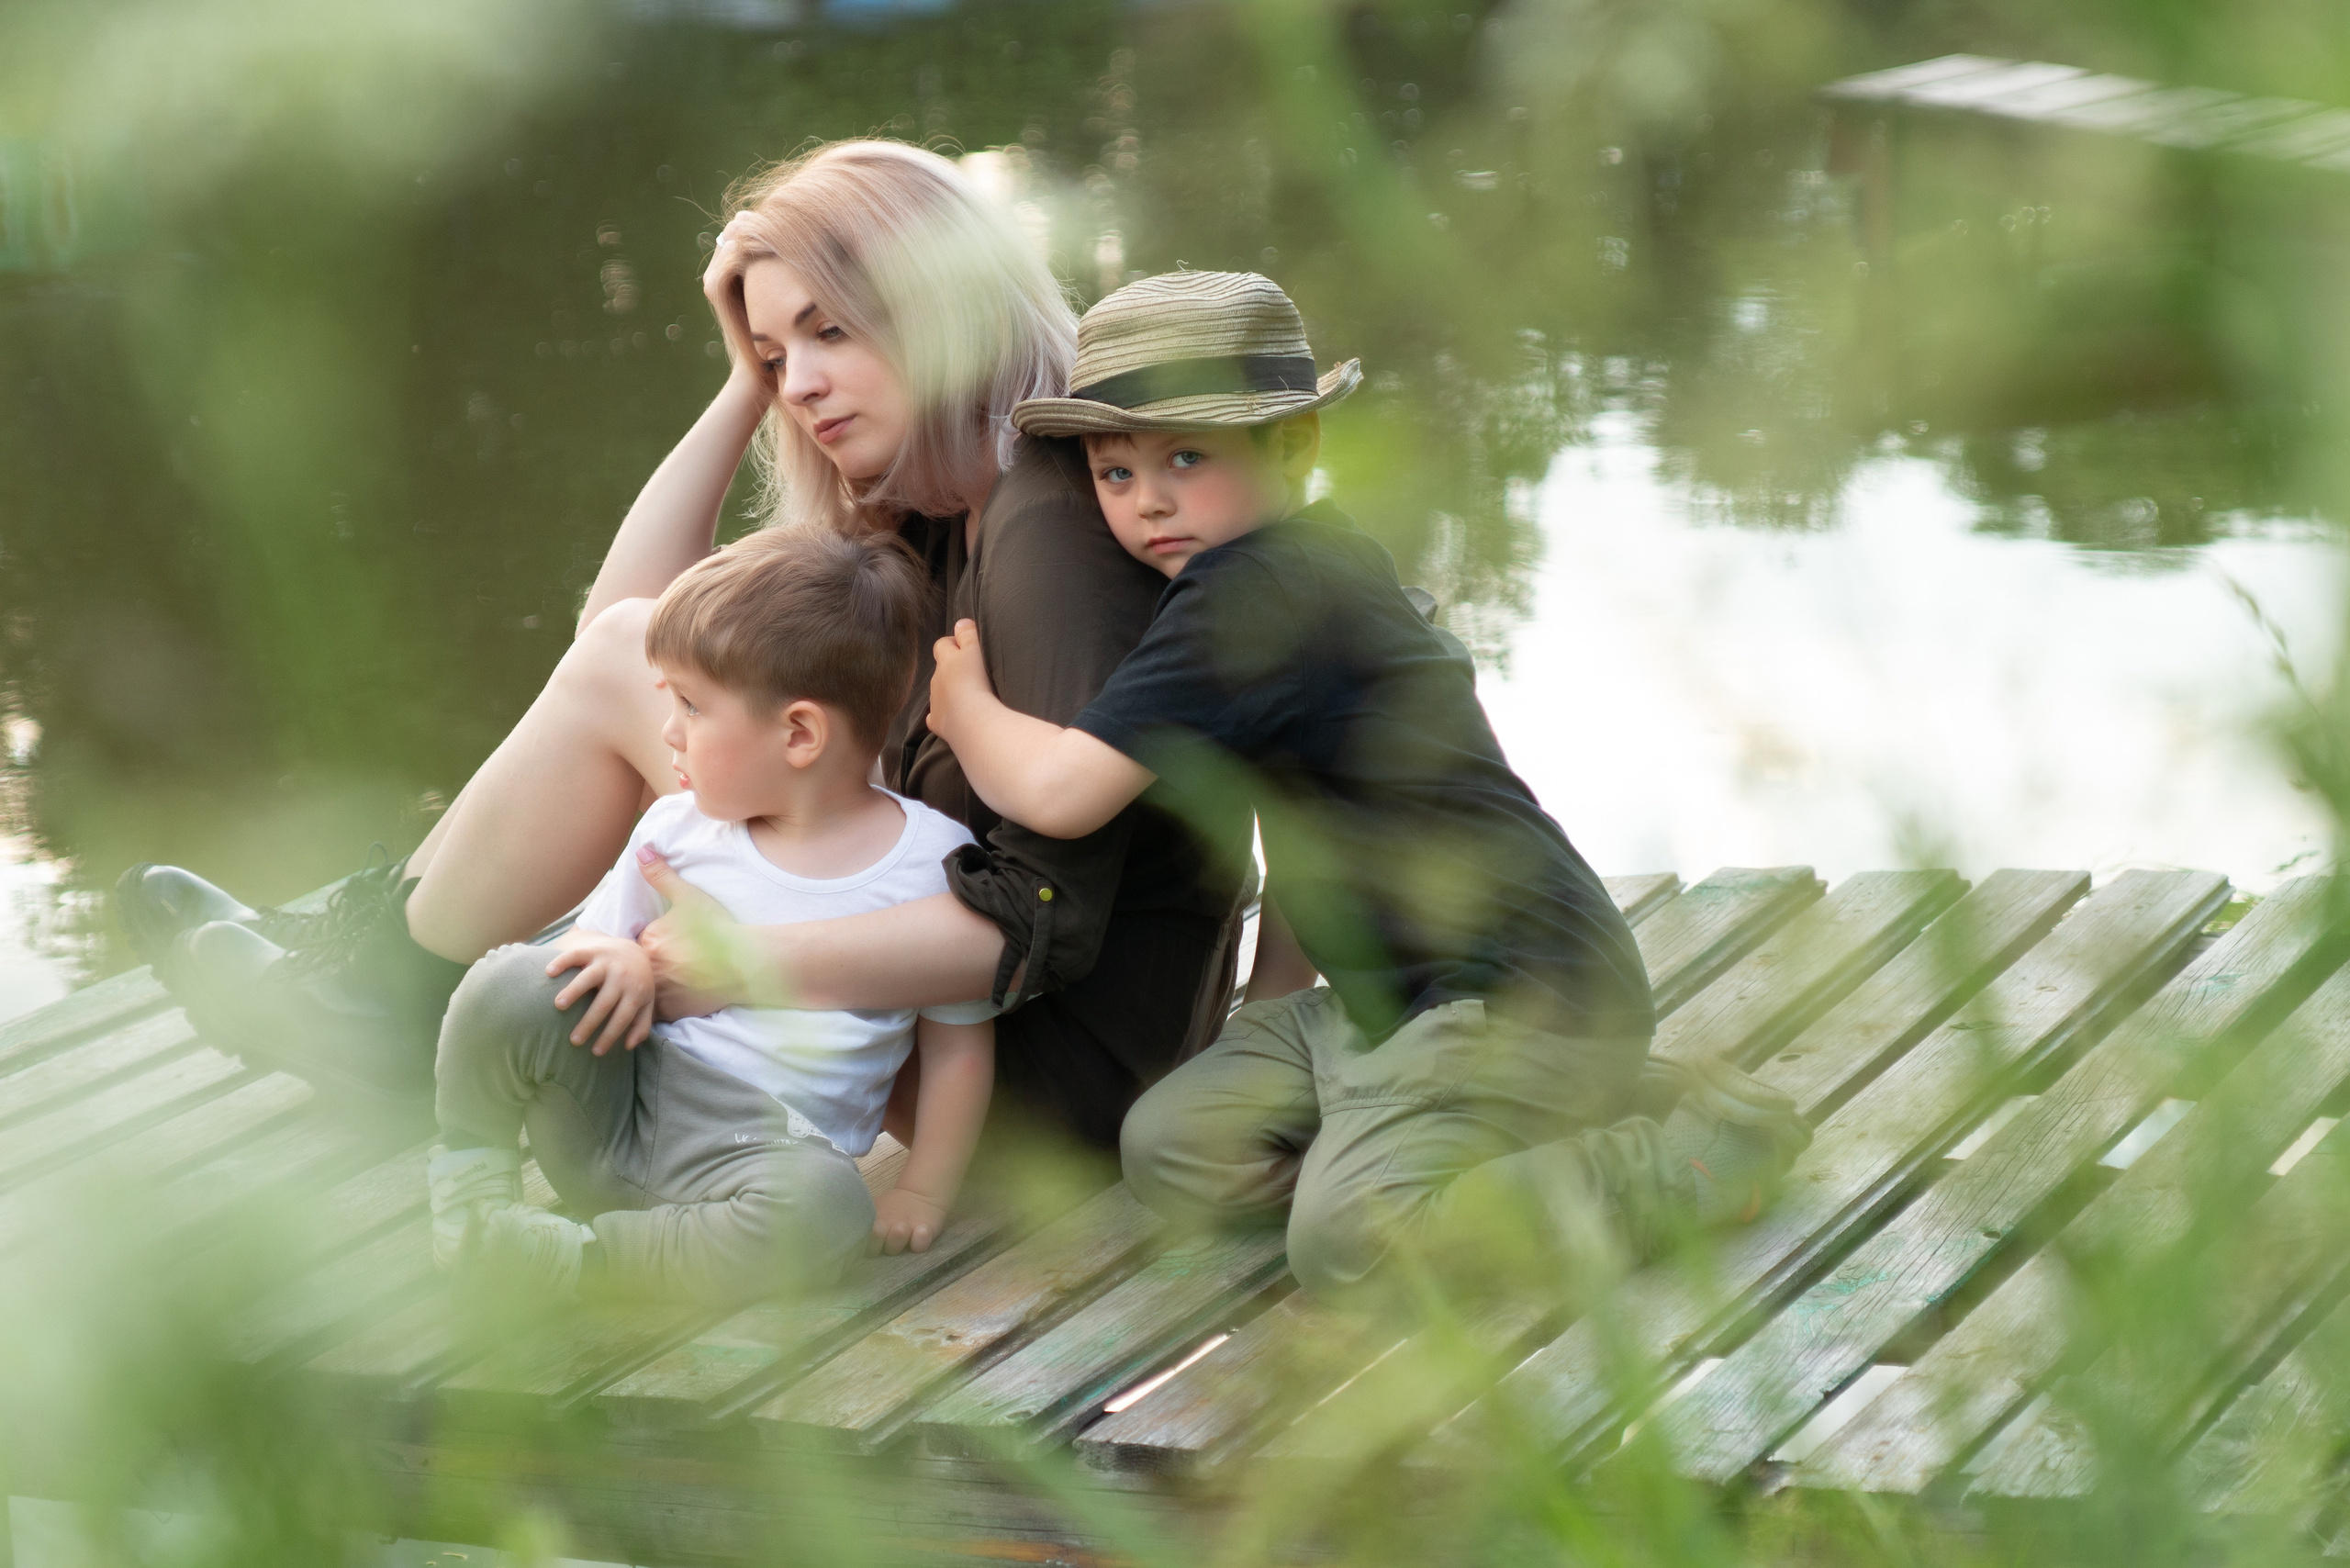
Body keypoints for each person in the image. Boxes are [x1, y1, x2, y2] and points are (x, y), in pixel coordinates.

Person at [115, 140, 1248, 1151]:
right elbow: (643, 644)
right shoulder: (936, 508)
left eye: (831, 332)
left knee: (641, 685)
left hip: (1035, 1092)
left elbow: (1045, 921)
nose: (799, 384)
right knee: (649, 668)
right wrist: (738, 391)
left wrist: (736, 966)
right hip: (966, 1030)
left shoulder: (1049, 536)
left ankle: (378, 1007)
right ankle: (378, 980)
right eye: (773, 353)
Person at [924, 270, 1810, 1305]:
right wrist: (1269, 1007)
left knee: (1348, 1247)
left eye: (1185, 456)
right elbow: (1302, 823)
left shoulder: (1252, 585)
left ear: (1295, 444)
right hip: (1387, 1008)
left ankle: (1698, 1156)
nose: (1149, 499)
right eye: (1114, 474)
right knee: (1168, 1148)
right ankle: (1491, 1134)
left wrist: (963, 705)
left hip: (1520, 994)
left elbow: (1061, 795)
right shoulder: (1311, 564)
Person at [414, 527, 994, 1306]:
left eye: (691, 704)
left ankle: (583, 1265)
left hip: (760, 1158)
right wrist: (614, 957)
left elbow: (957, 1051)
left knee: (827, 1212)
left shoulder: (931, 864)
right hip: (618, 1106)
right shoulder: (676, 832)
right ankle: (472, 1198)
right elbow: (588, 948)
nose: (667, 731)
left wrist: (922, 1191)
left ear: (798, 733)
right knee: (509, 983)